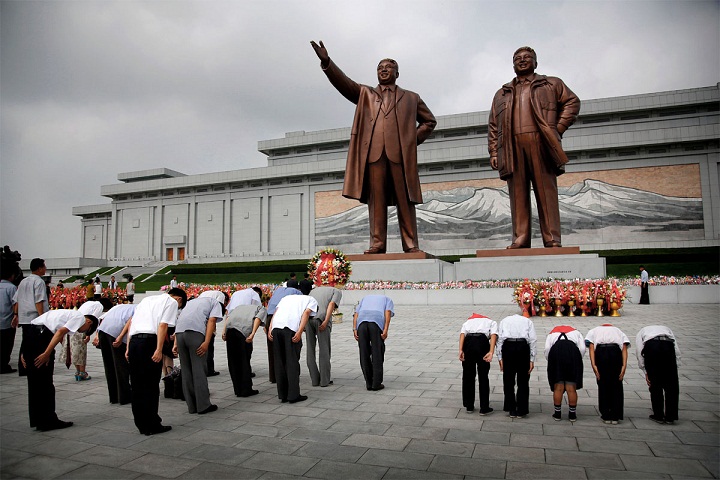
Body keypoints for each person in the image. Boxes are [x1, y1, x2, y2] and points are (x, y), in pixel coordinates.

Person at [311, 40, 437, 254]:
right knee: (376, 201)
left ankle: (410, 244)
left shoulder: (411, 98)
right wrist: (327, 63)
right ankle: (377, 244)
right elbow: (344, 83)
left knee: (405, 200)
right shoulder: (365, 94)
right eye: (379, 68)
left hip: (400, 156)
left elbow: (429, 122)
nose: (383, 70)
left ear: (397, 73)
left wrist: (410, 140)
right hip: (374, 155)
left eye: (388, 68)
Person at [488, 46, 580, 249]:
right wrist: (494, 152)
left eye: (527, 57)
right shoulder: (502, 93)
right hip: (512, 147)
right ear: (513, 65)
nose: (522, 60)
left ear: (535, 62)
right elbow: (493, 125)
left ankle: (552, 238)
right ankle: (520, 238)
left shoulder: (551, 84)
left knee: (546, 191)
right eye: (517, 58)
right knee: (518, 194)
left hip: (541, 143)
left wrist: (558, 128)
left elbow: (572, 102)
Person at [23, 305, 100, 431]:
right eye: (85, 330)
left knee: (34, 382)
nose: (80, 332)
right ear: (89, 322)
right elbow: (59, 333)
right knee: (45, 383)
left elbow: (32, 328)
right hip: (42, 337)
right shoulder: (79, 317)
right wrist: (47, 353)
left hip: (32, 334)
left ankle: (38, 420)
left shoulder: (64, 314)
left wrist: (24, 352)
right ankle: (48, 420)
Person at [126, 287, 187, 435]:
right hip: (149, 343)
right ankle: (152, 424)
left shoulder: (146, 300)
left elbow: (132, 323)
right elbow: (163, 325)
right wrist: (159, 349)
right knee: (150, 385)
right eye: (180, 307)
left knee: (137, 385)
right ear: (179, 299)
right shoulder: (171, 302)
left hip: (134, 342)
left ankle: (141, 423)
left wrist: (128, 347)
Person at [173, 292, 227, 415]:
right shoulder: (214, 303)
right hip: (195, 334)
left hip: (180, 334)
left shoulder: (191, 302)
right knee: (199, 370)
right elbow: (212, 321)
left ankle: (192, 406)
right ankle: (203, 406)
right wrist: (206, 342)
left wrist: (175, 344)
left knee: (186, 371)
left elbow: (180, 319)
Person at [267, 294, 318, 403]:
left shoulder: (285, 298)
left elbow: (276, 312)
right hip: (290, 330)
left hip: (276, 329)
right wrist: (299, 331)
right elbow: (306, 313)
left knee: (279, 362)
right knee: (292, 362)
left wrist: (270, 328)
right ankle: (293, 395)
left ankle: (283, 395)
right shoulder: (311, 299)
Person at [585, 323, 630, 424]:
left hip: (601, 353)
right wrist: (624, 365)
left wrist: (594, 365)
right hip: (615, 353)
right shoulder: (618, 330)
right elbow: (624, 347)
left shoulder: (594, 330)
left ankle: (605, 414)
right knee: (617, 383)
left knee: (602, 383)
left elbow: (591, 348)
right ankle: (615, 415)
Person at [636, 325, 681, 424]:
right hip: (668, 346)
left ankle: (658, 415)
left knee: (655, 383)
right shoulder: (667, 329)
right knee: (672, 386)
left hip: (652, 347)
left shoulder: (642, 331)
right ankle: (670, 416)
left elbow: (639, 351)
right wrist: (675, 366)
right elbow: (676, 348)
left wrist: (645, 371)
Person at [223, 295, 266, 397]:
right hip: (242, 333)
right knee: (244, 361)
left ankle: (238, 390)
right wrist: (252, 333)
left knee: (233, 362)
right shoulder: (261, 308)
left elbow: (228, 317)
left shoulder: (239, 307)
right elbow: (258, 319)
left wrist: (224, 332)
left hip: (230, 332)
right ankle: (246, 390)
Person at [60, 299, 112, 381]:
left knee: (74, 350)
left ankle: (78, 372)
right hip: (82, 327)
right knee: (81, 351)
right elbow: (92, 320)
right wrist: (88, 334)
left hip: (73, 325)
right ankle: (82, 372)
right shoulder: (99, 306)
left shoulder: (89, 303)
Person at [93, 303, 135, 405]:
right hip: (116, 334)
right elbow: (130, 322)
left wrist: (97, 335)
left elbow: (102, 319)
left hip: (103, 331)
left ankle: (114, 396)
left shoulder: (119, 306)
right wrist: (120, 337)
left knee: (109, 365)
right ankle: (124, 397)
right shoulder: (139, 308)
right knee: (121, 366)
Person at [496, 313, 537, 418]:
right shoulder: (528, 321)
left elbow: (499, 339)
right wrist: (532, 359)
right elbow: (532, 340)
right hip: (523, 347)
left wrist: (500, 357)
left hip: (508, 347)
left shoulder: (504, 320)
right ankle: (522, 409)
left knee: (508, 379)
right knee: (523, 380)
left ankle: (511, 408)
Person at [13, 258, 49, 376]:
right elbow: (39, 301)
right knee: (35, 343)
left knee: (25, 342)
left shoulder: (23, 282)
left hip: (24, 318)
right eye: (44, 266)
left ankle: (23, 367)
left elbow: (17, 300)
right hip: (34, 318)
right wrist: (41, 317)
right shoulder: (39, 282)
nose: (45, 269)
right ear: (39, 268)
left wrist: (16, 314)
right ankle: (32, 365)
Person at [544, 325, 585, 422]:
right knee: (571, 387)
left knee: (558, 386)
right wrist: (577, 359)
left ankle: (557, 413)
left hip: (556, 354)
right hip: (573, 354)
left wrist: (551, 361)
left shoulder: (552, 334)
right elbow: (582, 349)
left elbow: (547, 349)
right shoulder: (576, 333)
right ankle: (572, 414)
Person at [459, 313, 498, 415]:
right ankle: (484, 407)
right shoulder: (491, 322)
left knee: (468, 375)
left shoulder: (468, 322)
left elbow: (462, 334)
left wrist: (460, 350)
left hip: (468, 344)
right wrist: (491, 352)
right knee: (483, 376)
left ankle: (469, 406)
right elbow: (494, 335)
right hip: (482, 343)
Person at [353, 294, 394, 391]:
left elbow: (356, 314)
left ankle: (368, 383)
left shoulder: (364, 298)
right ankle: (376, 383)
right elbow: (387, 312)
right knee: (377, 352)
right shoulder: (388, 299)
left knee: (364, 353)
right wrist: (385, 329)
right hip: (375, 324)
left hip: (361, 324)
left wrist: (355, 329)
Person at [307, 286, 342, 387]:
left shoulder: (313, 291)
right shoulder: (336, 291)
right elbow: (331, 304)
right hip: (321, 318)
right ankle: (324, 381)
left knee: (310, 349)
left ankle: (314, 380)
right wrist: (326, 321)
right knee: (324, 350)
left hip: (308, 319)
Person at [265, 286, 302, 383]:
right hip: (284, 319)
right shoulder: (297, 293)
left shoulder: (278, 290)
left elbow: (269, 306)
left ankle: (274, 376)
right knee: (290, 349)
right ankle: (290, 374)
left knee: (273, 350)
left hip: (270, 319)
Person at [198, 290, 230, 377]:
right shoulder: (220, 296)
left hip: (198, 321)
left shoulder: (204, 293)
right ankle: (209, 369)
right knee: (209, 346)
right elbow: (214, 316)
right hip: (207, 323)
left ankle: (201, 368)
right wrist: (213, 330)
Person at [0, 262, 18, 374]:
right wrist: (16, 315)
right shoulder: (11, 288)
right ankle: (3, 365)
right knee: (6, 345)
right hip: (7, 322)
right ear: (11, 275)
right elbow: (15, 303)